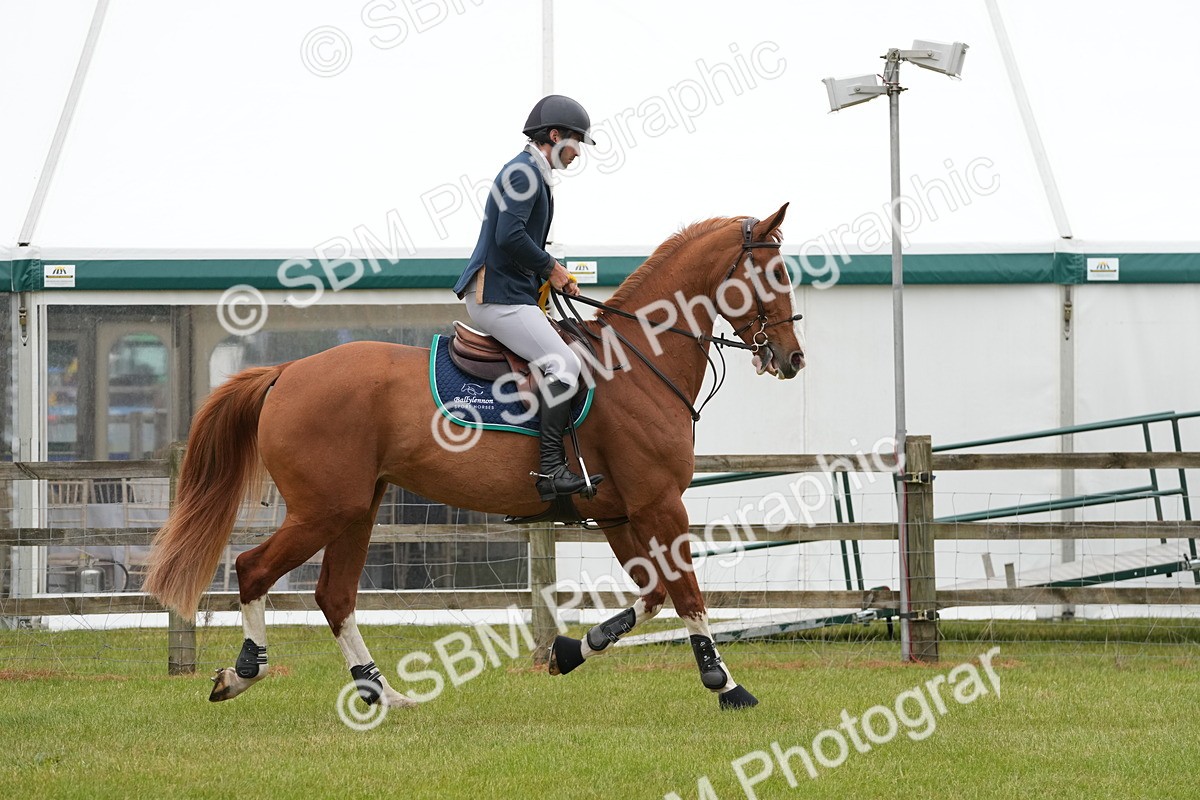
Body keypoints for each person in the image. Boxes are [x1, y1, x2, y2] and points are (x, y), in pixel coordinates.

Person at [451, 94, 603, 502]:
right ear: (554, 136)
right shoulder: (524, 173)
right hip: (497, 295)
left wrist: (550, 278)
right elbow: (509, 236)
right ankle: (551, 469)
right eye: (575, 143)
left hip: (511, 293)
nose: (577, 153)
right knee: (565, 364)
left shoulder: (533, 173)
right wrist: (552, 268)